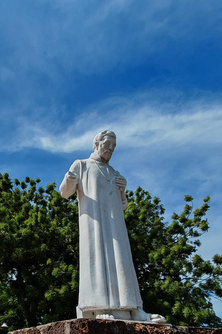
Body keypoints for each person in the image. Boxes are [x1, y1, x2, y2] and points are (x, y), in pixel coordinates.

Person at [59, 130, 164, 323]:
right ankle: (99, 306)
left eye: (113, 147)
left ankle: (133, 309)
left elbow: (123, 206)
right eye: (107, 145)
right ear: (97, 144)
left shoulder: (115, 173)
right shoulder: (81, 165)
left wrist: (122, 192)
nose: (110, 150)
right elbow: (65, 192)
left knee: (122, 261)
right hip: (95, 224)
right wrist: (70, 178)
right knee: (97, 258)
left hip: (116, 225)